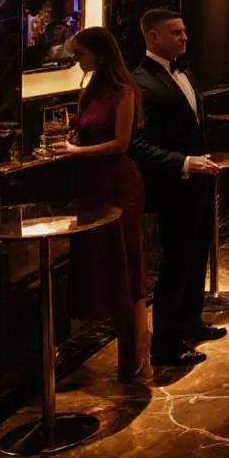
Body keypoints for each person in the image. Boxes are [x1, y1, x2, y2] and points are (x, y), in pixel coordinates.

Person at [53, 27, 149, 380]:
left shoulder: (124, 91)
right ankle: (136, 345)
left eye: (80, 53)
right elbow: (85, 130)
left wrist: (78, 150)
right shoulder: (89, 88)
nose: (75, 58)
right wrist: (72, 138)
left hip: (119, 184)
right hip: (91, 186)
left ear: (100, 54)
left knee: (124, 264)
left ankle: (135, 352)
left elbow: (120, 144)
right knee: (99, 267)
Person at [129, 8, 222, 367]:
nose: (185, 38)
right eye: (176, 33)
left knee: (198, 255)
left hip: (199, 181)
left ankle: (190, 323)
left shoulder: (185, 71)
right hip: (173, 185)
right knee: (176, 263)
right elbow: (137, 145)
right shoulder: (141, 82)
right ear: (153, 38)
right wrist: (184, 163)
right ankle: (165, 345)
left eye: (184, 32)